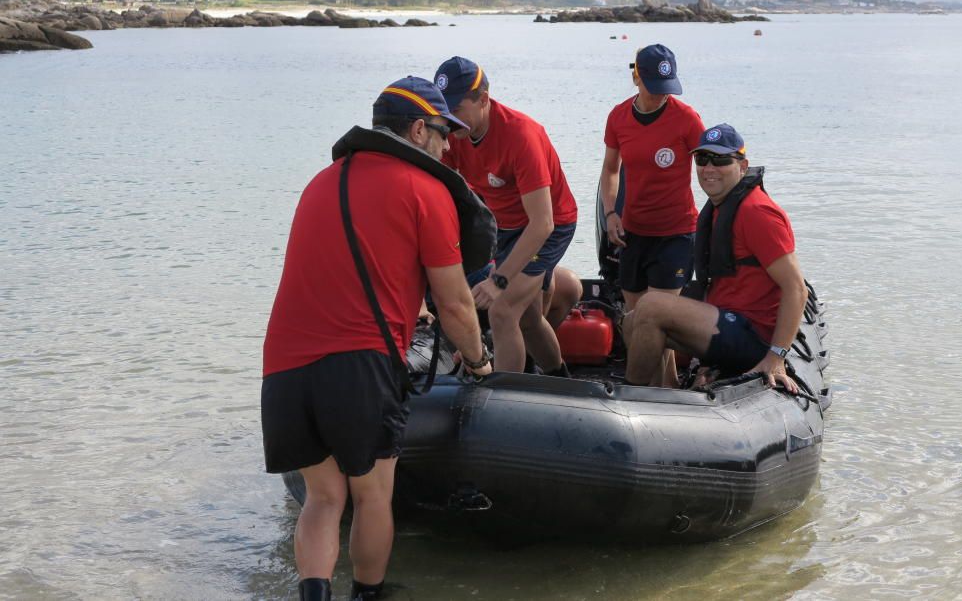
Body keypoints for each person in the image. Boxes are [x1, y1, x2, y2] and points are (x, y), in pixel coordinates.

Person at [261, 77, 492, 601]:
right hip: (359, 364)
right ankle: (369, 594)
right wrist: (477, 360)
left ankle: (314, 594)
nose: (448, 143)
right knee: (372, 496)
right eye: (441, 132)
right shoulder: (426, 189)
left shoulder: (321, 181)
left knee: (322, 497)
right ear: (417, 130)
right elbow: (455, 302)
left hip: (283, 366)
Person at [624, 124, 806, 394]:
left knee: (652, 305)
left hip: (752, 334)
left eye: (720, 160)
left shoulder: (758, 213)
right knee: (632, 319)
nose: (709, 168)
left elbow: (797, 289)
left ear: (743, 166)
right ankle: (663, 393)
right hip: (726, 322)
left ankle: (628, 398)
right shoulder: (721, 207)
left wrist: (776, 357)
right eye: (702, 159)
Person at [433, 56, 578, 375]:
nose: (448, 120)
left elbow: (543, 223)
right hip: (506, 224)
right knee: (527, 318)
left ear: (483, 99)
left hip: (550, 225)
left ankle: (504, 399)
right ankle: (560, 377)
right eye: (442, 112)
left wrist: (499, 278)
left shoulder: (520, 136)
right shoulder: (455, 136)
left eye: (455, 110)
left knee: (502, 310)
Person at [600, 43, 705, 386]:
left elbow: (710, 169)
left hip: (676, 232)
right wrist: (611, 214)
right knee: (634, 320)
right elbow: (611, 170)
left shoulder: (686, 118)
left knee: (656, 316)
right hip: (633, 232)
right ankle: (667, 386)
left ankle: (655, 391)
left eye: (667, 89)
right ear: (636, 79)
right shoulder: (618, 117)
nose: (662, 96)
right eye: (655, 88)